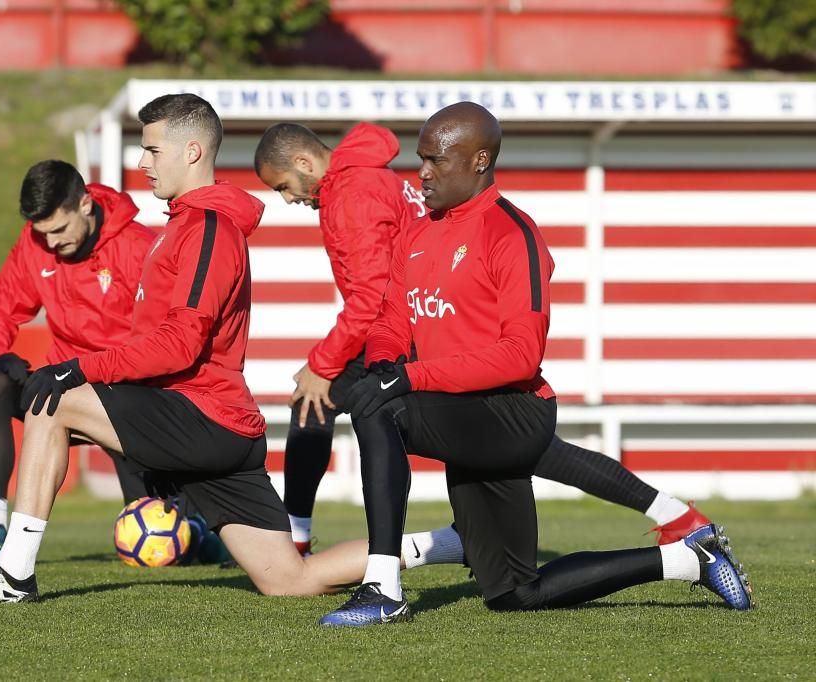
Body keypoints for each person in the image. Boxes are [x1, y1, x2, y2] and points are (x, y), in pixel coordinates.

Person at [0, 94, 442, 606]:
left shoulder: (208, 229)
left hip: (202, 416)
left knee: (52, 402)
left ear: (192, 152)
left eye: (152, 150)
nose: (143, 163)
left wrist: (79, 368)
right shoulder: (185, 223)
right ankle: (449, 543)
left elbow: (180, 344)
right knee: (290, 579)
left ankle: (13, 574)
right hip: (217, 424)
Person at [319, 102, 753, 626]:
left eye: (436, 160)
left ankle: (383, 588)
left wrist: (406, 377)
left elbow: (521, 355)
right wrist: (386, 360)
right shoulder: (417, 230)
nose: (423, 172)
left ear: (480, 160)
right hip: (463, 415)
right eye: (420, 159)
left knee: (381, 409)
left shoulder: (513, 234)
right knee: (515, 593)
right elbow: (392, 317)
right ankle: (688, 560)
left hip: (513, 413)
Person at [253, 122, 716, 560]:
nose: (288, 199)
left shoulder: (351, 195)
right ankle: (675, 514)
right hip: (427, 320)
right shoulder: (374, 178)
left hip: (413, 328)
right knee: (533, 451)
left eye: (283, 186)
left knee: (319, 402)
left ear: (304, 162)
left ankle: (317, 546)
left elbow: (372, 297)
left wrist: (323, 361)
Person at [0, 159, 156, 568]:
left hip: (127, 396)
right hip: (61, 390)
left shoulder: (138, 247)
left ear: (86, 205)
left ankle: (198, 529)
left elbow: (164, 338)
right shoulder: (35, 242)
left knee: (159, 538)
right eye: (43, 233)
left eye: (59, 230)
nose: (52, 243)